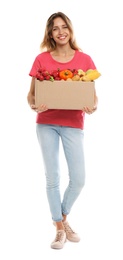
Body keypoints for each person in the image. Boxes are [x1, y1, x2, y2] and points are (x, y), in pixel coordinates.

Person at [27, 11, 98, 250]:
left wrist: (93, 107)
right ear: (50, 33)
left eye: (63, 26)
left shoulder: (85, 60)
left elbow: (93, 97)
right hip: (46, 122)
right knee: (53, 177)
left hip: (73, 123)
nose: (60, 32)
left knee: (79, 178)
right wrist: (34, 104)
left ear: (70, 29)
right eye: (55, 28)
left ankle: (63, 217)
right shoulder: (41, 60)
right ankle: (59, 228)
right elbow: (31, 94)